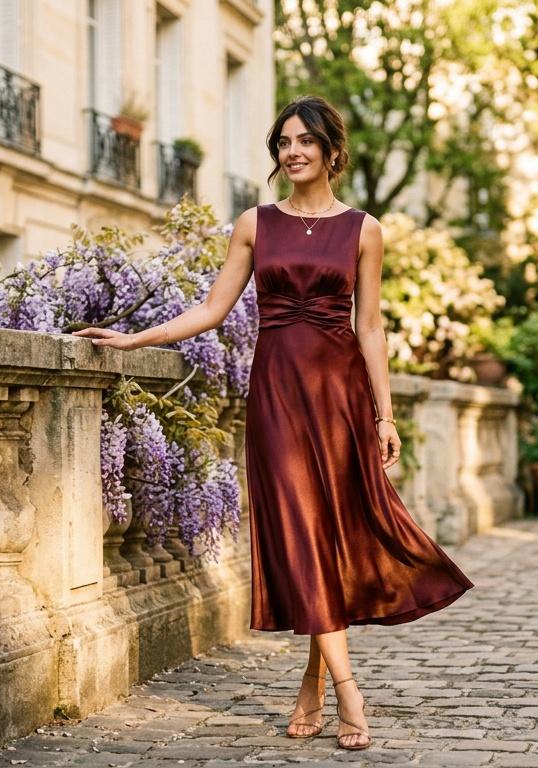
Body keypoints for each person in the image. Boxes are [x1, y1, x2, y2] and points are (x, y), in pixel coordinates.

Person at [72, 95, 474, 751]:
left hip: (340, 395)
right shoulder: (255, 224)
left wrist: (385, 413)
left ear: (331, 151)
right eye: (283, 142)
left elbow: (369, 327)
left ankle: (314, 684)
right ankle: (351, 692)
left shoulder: (365, 230)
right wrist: (133, 338)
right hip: (278, 398)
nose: (292, 151)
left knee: (335, 536)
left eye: (305, 141)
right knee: (302, 534)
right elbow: (211, 310)